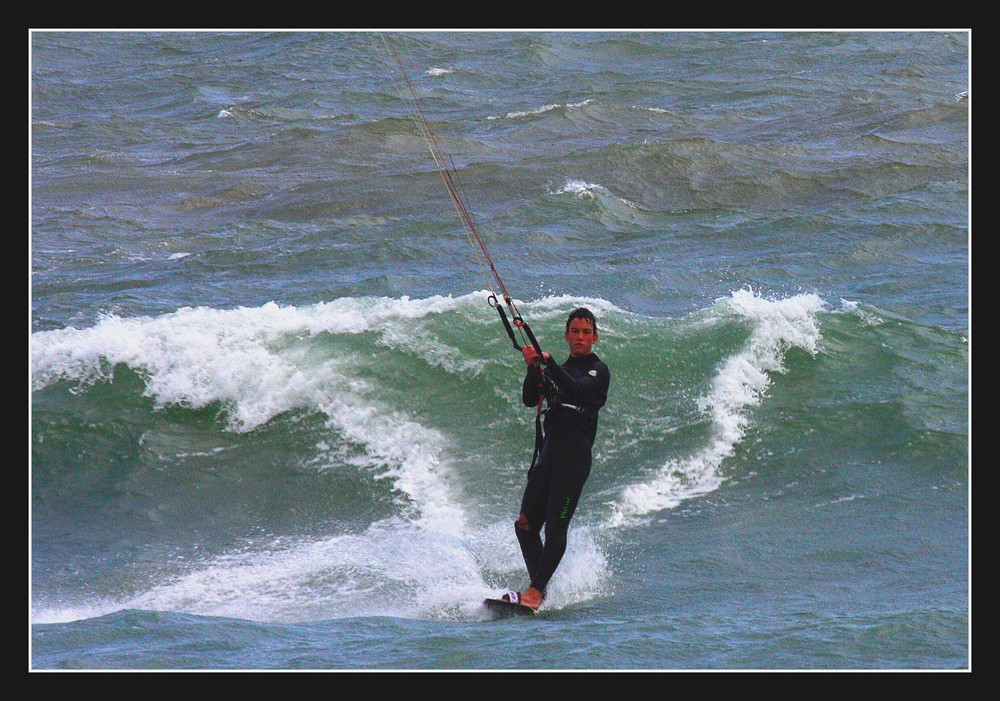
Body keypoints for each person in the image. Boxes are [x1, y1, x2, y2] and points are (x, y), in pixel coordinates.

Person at [506, 307, 610, 610]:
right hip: (549, 454)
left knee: (554, 527)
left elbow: (577, 391)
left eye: (586, 332)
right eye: (575, 332)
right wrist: (533, 368)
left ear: (595, 338)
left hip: (573, 458)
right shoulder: (559, 370)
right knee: (525, 524)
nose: (580, 337)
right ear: (567, 336)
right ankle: (538, 590)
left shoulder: (597, 370)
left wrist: (549, 364)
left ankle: (536, 591)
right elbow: (530, 400)